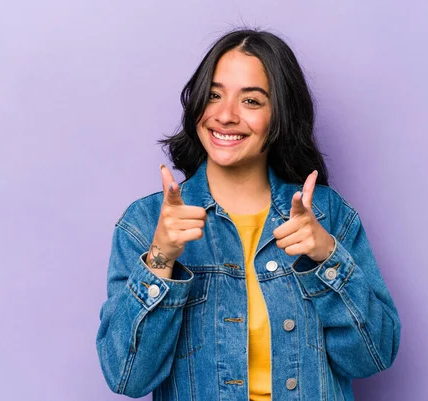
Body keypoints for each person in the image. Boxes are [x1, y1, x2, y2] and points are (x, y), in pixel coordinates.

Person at [96, 29, 401, 401]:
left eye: (251, 101)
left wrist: (326, 256)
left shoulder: (328, 215)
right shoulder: (145, 224)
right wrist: (160, 260)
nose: (225, 116)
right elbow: (127, 378)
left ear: (280, 114)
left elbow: (373, 357)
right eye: (213, 95)